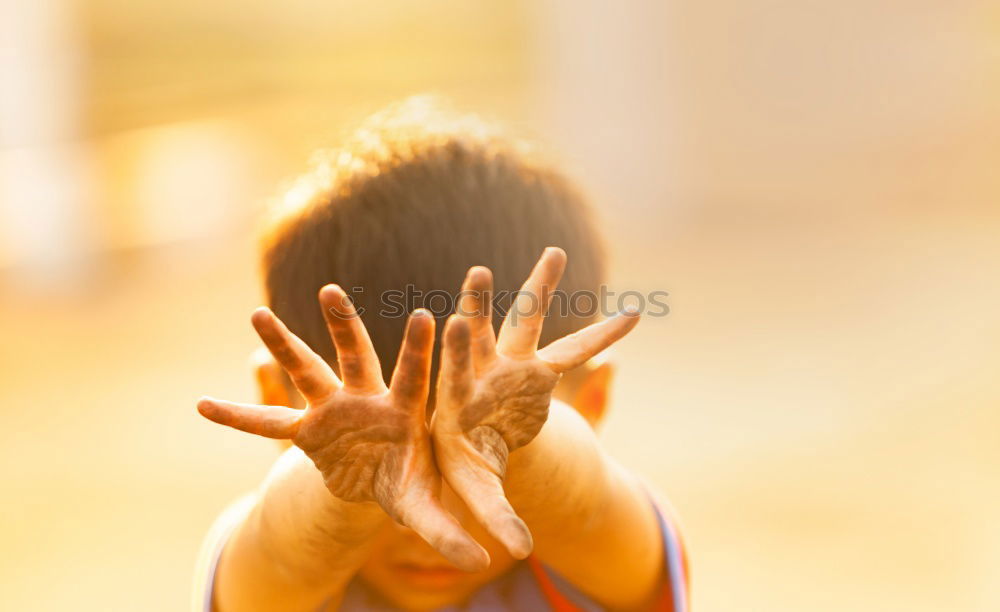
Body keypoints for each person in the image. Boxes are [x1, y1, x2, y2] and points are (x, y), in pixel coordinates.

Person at [193, 97, 688, 611]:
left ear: (590, 400)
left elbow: (583, 509)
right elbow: (283, 555)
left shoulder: (591, 566)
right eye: (405, 467)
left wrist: (523, 446)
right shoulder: (280, 578)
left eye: (463, 467)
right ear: (279, 397)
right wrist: (351, 488)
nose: (429, 520)